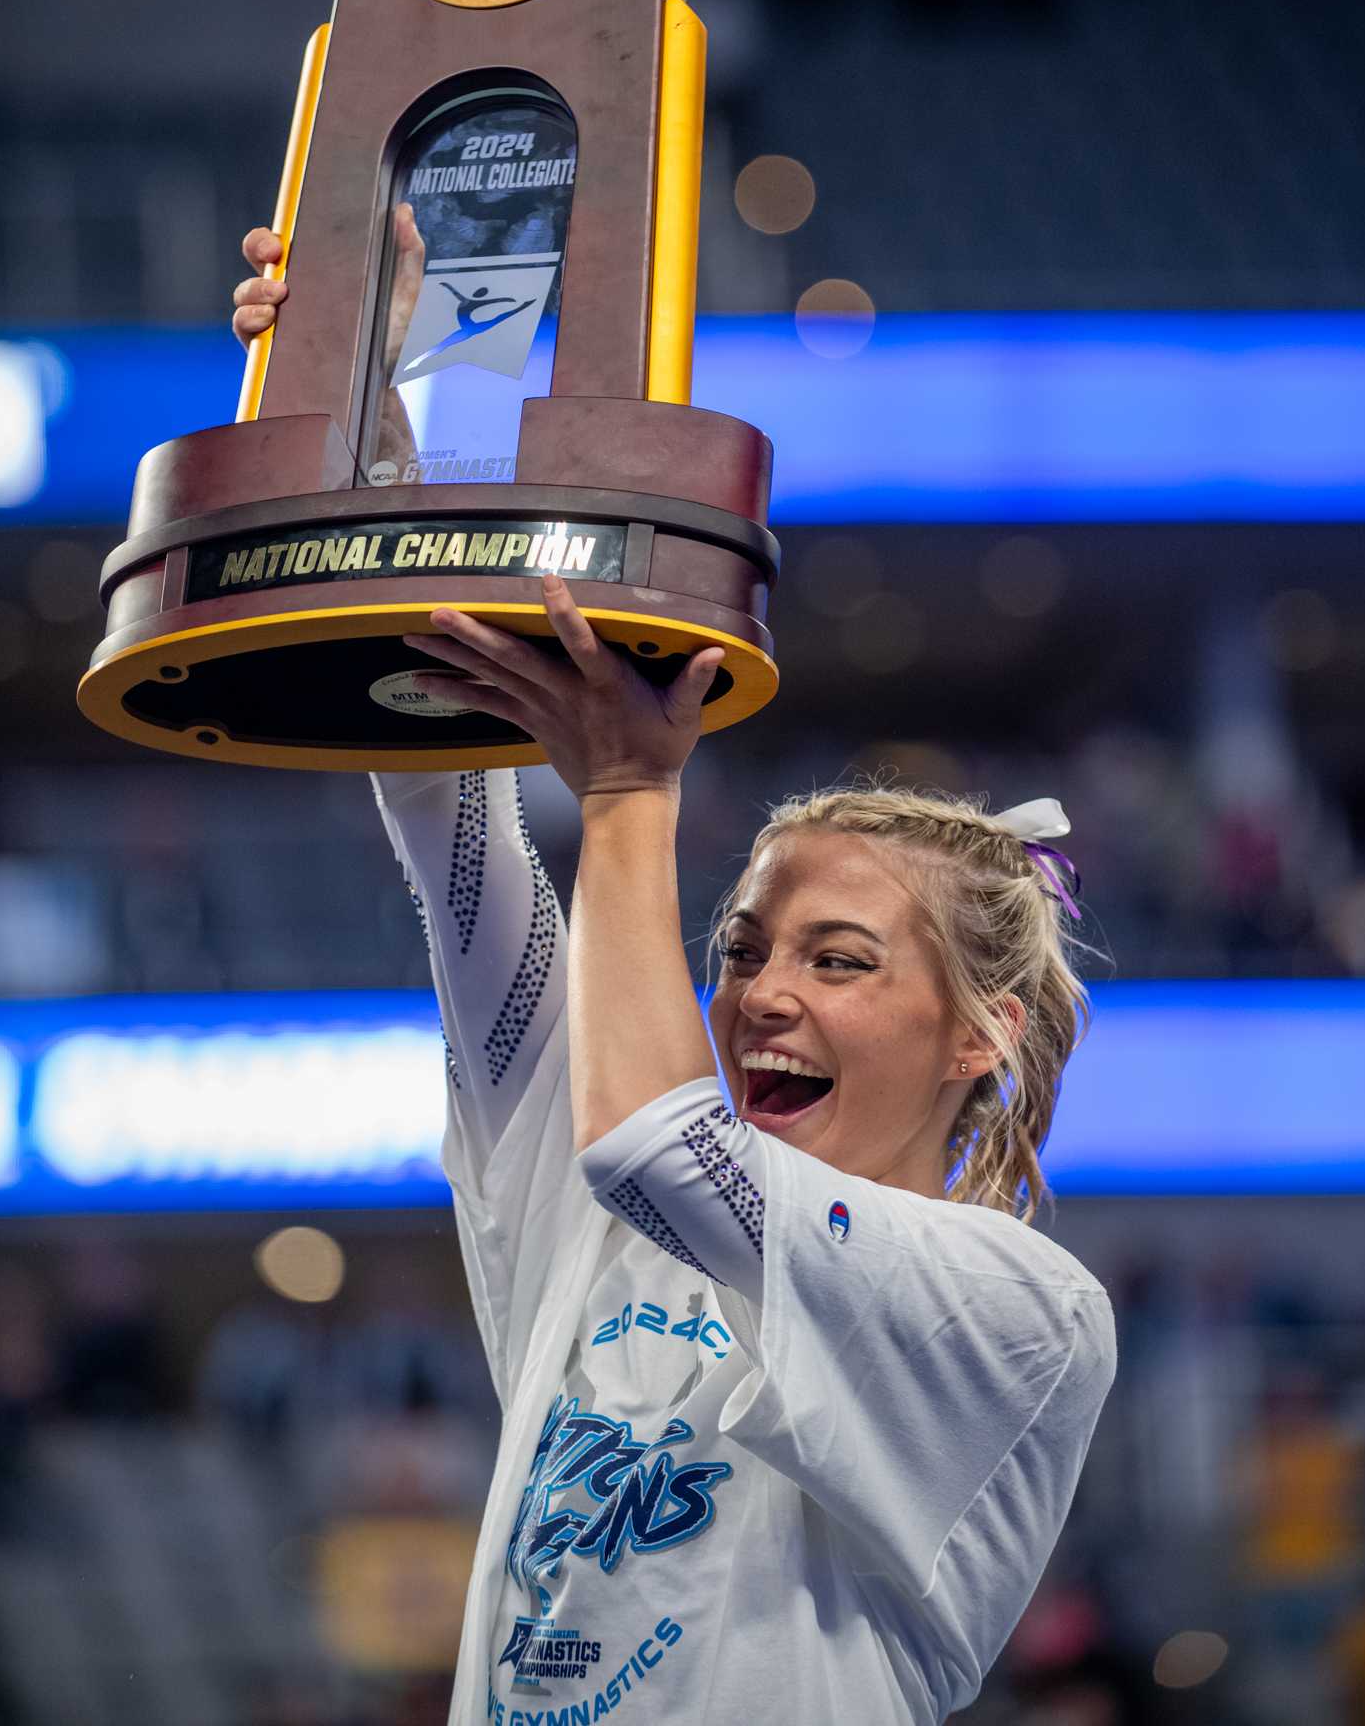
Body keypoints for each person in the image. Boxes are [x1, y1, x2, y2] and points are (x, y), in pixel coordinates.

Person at [234, 228, 1117, 1725]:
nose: (763, 993)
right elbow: (447, 800)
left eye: (840, 960)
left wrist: (635, 797)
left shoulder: (1018, 1309)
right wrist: (360, 395)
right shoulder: (601, 1224)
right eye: (744, 949)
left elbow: (659, 1145)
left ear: (983, 1035)